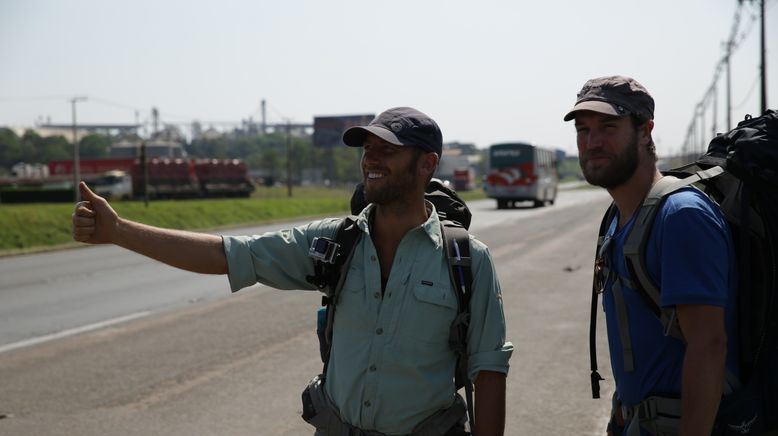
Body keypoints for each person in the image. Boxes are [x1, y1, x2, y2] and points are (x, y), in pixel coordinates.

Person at [72, 106, 513, 436]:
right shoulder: (334, 243)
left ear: (427, 164)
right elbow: (229, 254)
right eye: (368, 149)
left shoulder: (468, 260)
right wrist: (120, 231)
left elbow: (488, 372)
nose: (371, 159)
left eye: (388, 150)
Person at [563, 77, 738, 436]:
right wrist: (623, 410)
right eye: (583, 130)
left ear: (645, 131)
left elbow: (709, 345)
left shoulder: (680, 216)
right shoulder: (617, 218)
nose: (592, 142)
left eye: (608, 127)